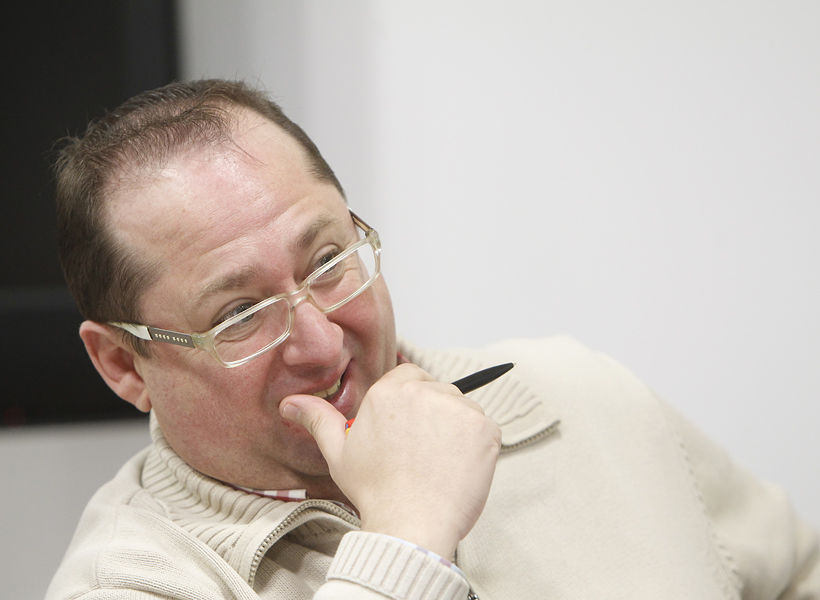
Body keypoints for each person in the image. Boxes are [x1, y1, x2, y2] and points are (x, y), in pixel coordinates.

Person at [46, 79, 819, 600]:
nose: (320, 342)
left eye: (327, 261)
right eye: (239, 314)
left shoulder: (575, 395)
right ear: (124, 364)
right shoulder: (129, 582)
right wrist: (409, 537)